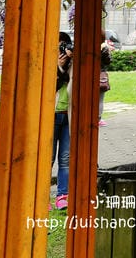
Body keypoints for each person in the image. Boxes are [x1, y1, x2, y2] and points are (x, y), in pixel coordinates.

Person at [53, 31, 72, 210]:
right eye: (59, 46)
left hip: (68, 115)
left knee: (65, 159)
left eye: (64, 46)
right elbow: (51, 87)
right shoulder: (48, 64)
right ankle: (42, 196)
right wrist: (59, 67)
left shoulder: (72, 63)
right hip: (52, 115)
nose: (61, 50)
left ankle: (62, 195)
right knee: (48, 158)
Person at [99, 30, 114, 126]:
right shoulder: (104, 48)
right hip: (101, 76)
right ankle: (98, 118)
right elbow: (108, 62)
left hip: (90, 75)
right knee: (100, 99)